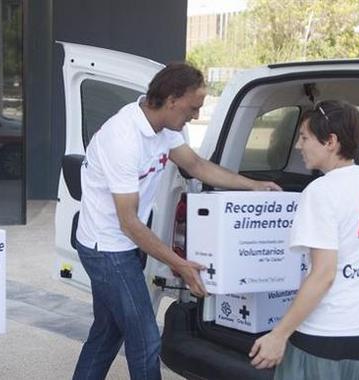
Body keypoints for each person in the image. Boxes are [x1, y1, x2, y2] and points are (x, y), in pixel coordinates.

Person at [72, 62, 281, 380]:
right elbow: (128, 223)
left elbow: (195, 165)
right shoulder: (123, 138)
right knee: (144, 339)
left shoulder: (167, 128)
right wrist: (180, 264)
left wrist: (253, 185)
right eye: (193, 107)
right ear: (171, 99)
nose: (196, 116)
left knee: (107, 332)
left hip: (124, 244)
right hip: (107, 249)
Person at [249, 100, 359, 379]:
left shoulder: (321, 191)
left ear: (330, 141)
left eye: (305, 137)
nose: (299, 145)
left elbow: (323, 275)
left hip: (331, 335)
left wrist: (279, 334)